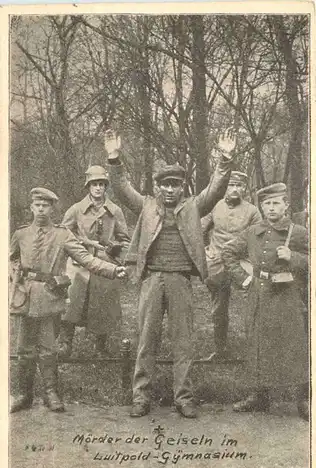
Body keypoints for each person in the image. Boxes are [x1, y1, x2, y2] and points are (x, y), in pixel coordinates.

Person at [104, 128, 236, 419]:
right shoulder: (146, 205)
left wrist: (225, 158)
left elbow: (215, 189)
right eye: (164, 185)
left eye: (175, 185)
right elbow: (123, 188)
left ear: (182, 188)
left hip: (180, 281)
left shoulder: (193, 207)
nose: (169, 190)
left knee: (183, 342)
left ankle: (184, 398)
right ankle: (141, 398)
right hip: (152, 279)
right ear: (158, 187)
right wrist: (114, 158)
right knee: (146, 340)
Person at [10, 187, 126, 413]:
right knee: (24, 349)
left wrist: (113, 270)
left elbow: (86, 259)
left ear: (53, 209)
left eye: (46, 205)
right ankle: (23, 394)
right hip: (24, 299)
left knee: (48, 349)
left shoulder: (63, 235)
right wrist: (13, 277)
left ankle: (51, 393)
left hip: (50, 297)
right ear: (31, 208)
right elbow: (9, 258)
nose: (41, 209)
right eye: (37, 205)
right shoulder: (21, 234)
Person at [222, 183, 309, 421]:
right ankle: (259, 396)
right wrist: (245, 279)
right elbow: (228, 253)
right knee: (258, 344)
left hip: (288, 294)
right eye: (267, 203)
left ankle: (303, 398)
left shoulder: (299, 232)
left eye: (276, 203)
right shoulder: (253, 231)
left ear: (286, 206)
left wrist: (295, 257)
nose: (271, 208)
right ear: (261, 206)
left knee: (293, 344)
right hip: (260, 293)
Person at [58, 165, 130, 358]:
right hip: (78, 264)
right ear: (88, 186)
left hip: (105, 265)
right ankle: (65, 344)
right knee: (71, 304)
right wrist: (82, 242)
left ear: (106, 186)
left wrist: (113, 246)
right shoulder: (76, 210)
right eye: (94, 184)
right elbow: (62, 235)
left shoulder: (115, 211)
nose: (98, 188)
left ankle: (100, 347)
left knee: (103, 306)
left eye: (101, 184)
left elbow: (125, 240)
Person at [202, 171, 261, 360]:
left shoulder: (252, 211)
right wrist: (205, 249)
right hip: (217, 263)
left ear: (244, 188)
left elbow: (259, 238)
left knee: (254, 303)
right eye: (231, 185)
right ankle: (220, 350)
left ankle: (256, 350)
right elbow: (198, 230)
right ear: (224, 187)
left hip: (242, 263)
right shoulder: (215, 206)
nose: (235, 189)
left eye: (239, 186)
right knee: (219, 308)